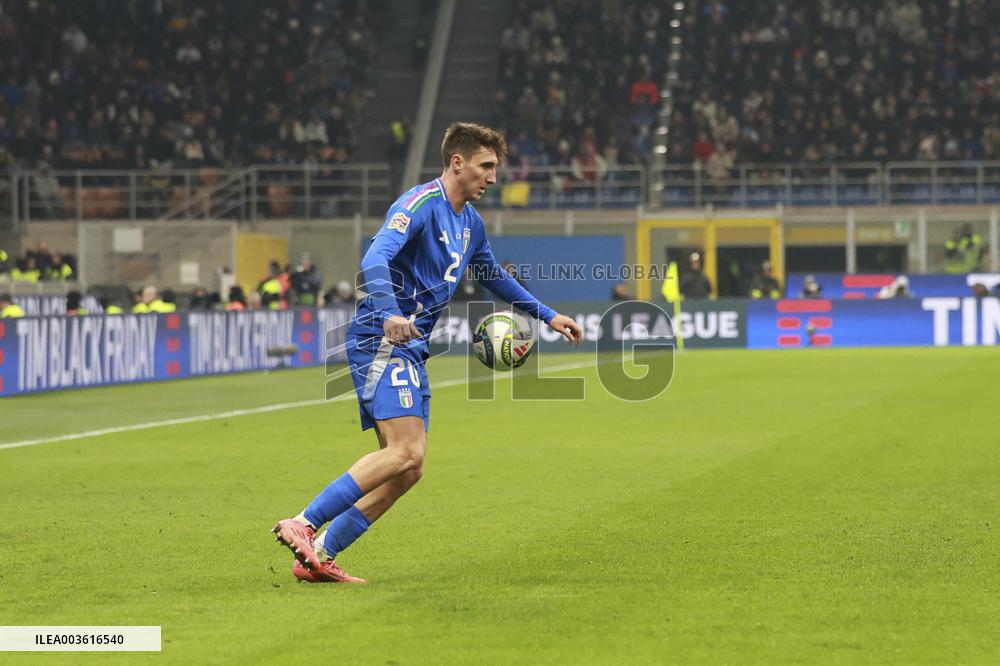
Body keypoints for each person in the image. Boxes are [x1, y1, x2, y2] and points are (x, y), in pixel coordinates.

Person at [271, 122, 583, 584]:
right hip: (382, 340)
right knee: (405, 451)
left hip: (411, 348)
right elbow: (375, 258)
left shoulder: (470, 223)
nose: (493, 178)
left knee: (408, 469)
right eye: (487, 166)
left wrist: (547, 314)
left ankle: (317, 555)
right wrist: (390, 312)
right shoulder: (418, 204)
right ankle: (304, 521)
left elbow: (492, 274)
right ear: (458, 163)